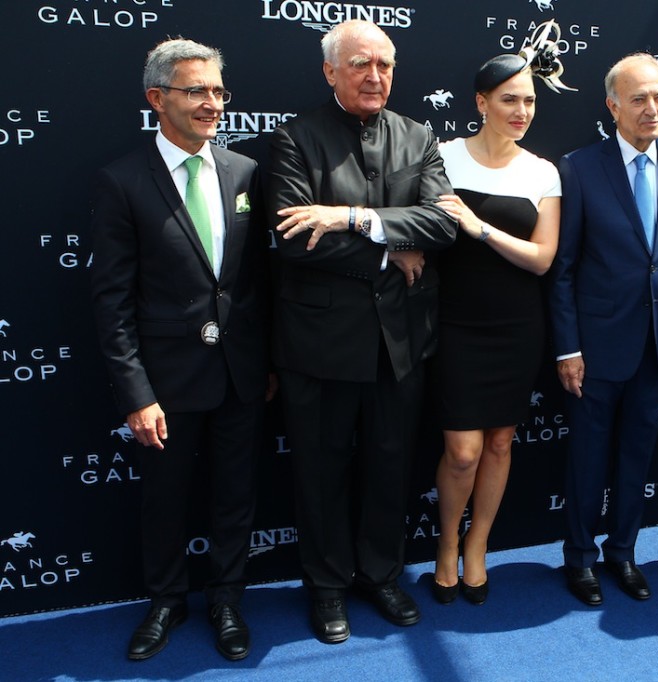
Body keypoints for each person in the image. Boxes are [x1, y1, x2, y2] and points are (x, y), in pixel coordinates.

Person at [268, 20, 457, 643]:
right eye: (359, 64)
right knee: (320, 473)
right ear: (330, 71)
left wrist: (354, 218)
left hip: (399, 345)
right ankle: (325, 588)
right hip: (320, 347)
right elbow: (295, 237)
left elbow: (444, 224)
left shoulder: (418, 136)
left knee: (389, 464)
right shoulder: (295, 140)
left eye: (384, 64)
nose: (374, 76)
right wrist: (387, 249)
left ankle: (380, 574)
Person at [90, 38, 270, 661]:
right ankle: (166, 602)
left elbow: (256, 283)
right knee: (165, 500)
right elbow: (112, 303)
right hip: (165, 383)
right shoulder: (121, 182)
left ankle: (226, 600)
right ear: (156, 98)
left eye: (219, 91)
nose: (212, 103)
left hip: (240, 375)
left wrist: (265, 364)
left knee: (235, 496)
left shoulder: (245, 172)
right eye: (197, 91)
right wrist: (137, 395)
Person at [549, 52, 658, 606]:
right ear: (612, 106)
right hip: (595, 346)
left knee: (638, 455)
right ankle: (580, 558)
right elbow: (562, 268)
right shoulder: (580, 167)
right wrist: (568, 347)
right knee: (588, 458)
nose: (652, 108)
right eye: (639, 98)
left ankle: (623, 553)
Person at [430, 30, 568, 606]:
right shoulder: (442, 156)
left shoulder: (543, 173)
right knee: (462, 449)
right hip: (454, 324)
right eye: (510, 99)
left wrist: (479, 227)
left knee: (501, 444)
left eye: (530, 100)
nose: (522, 111)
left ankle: (478, 547)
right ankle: (444, 546)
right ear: (481, 102)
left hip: (516, 326)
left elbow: (542, 259)